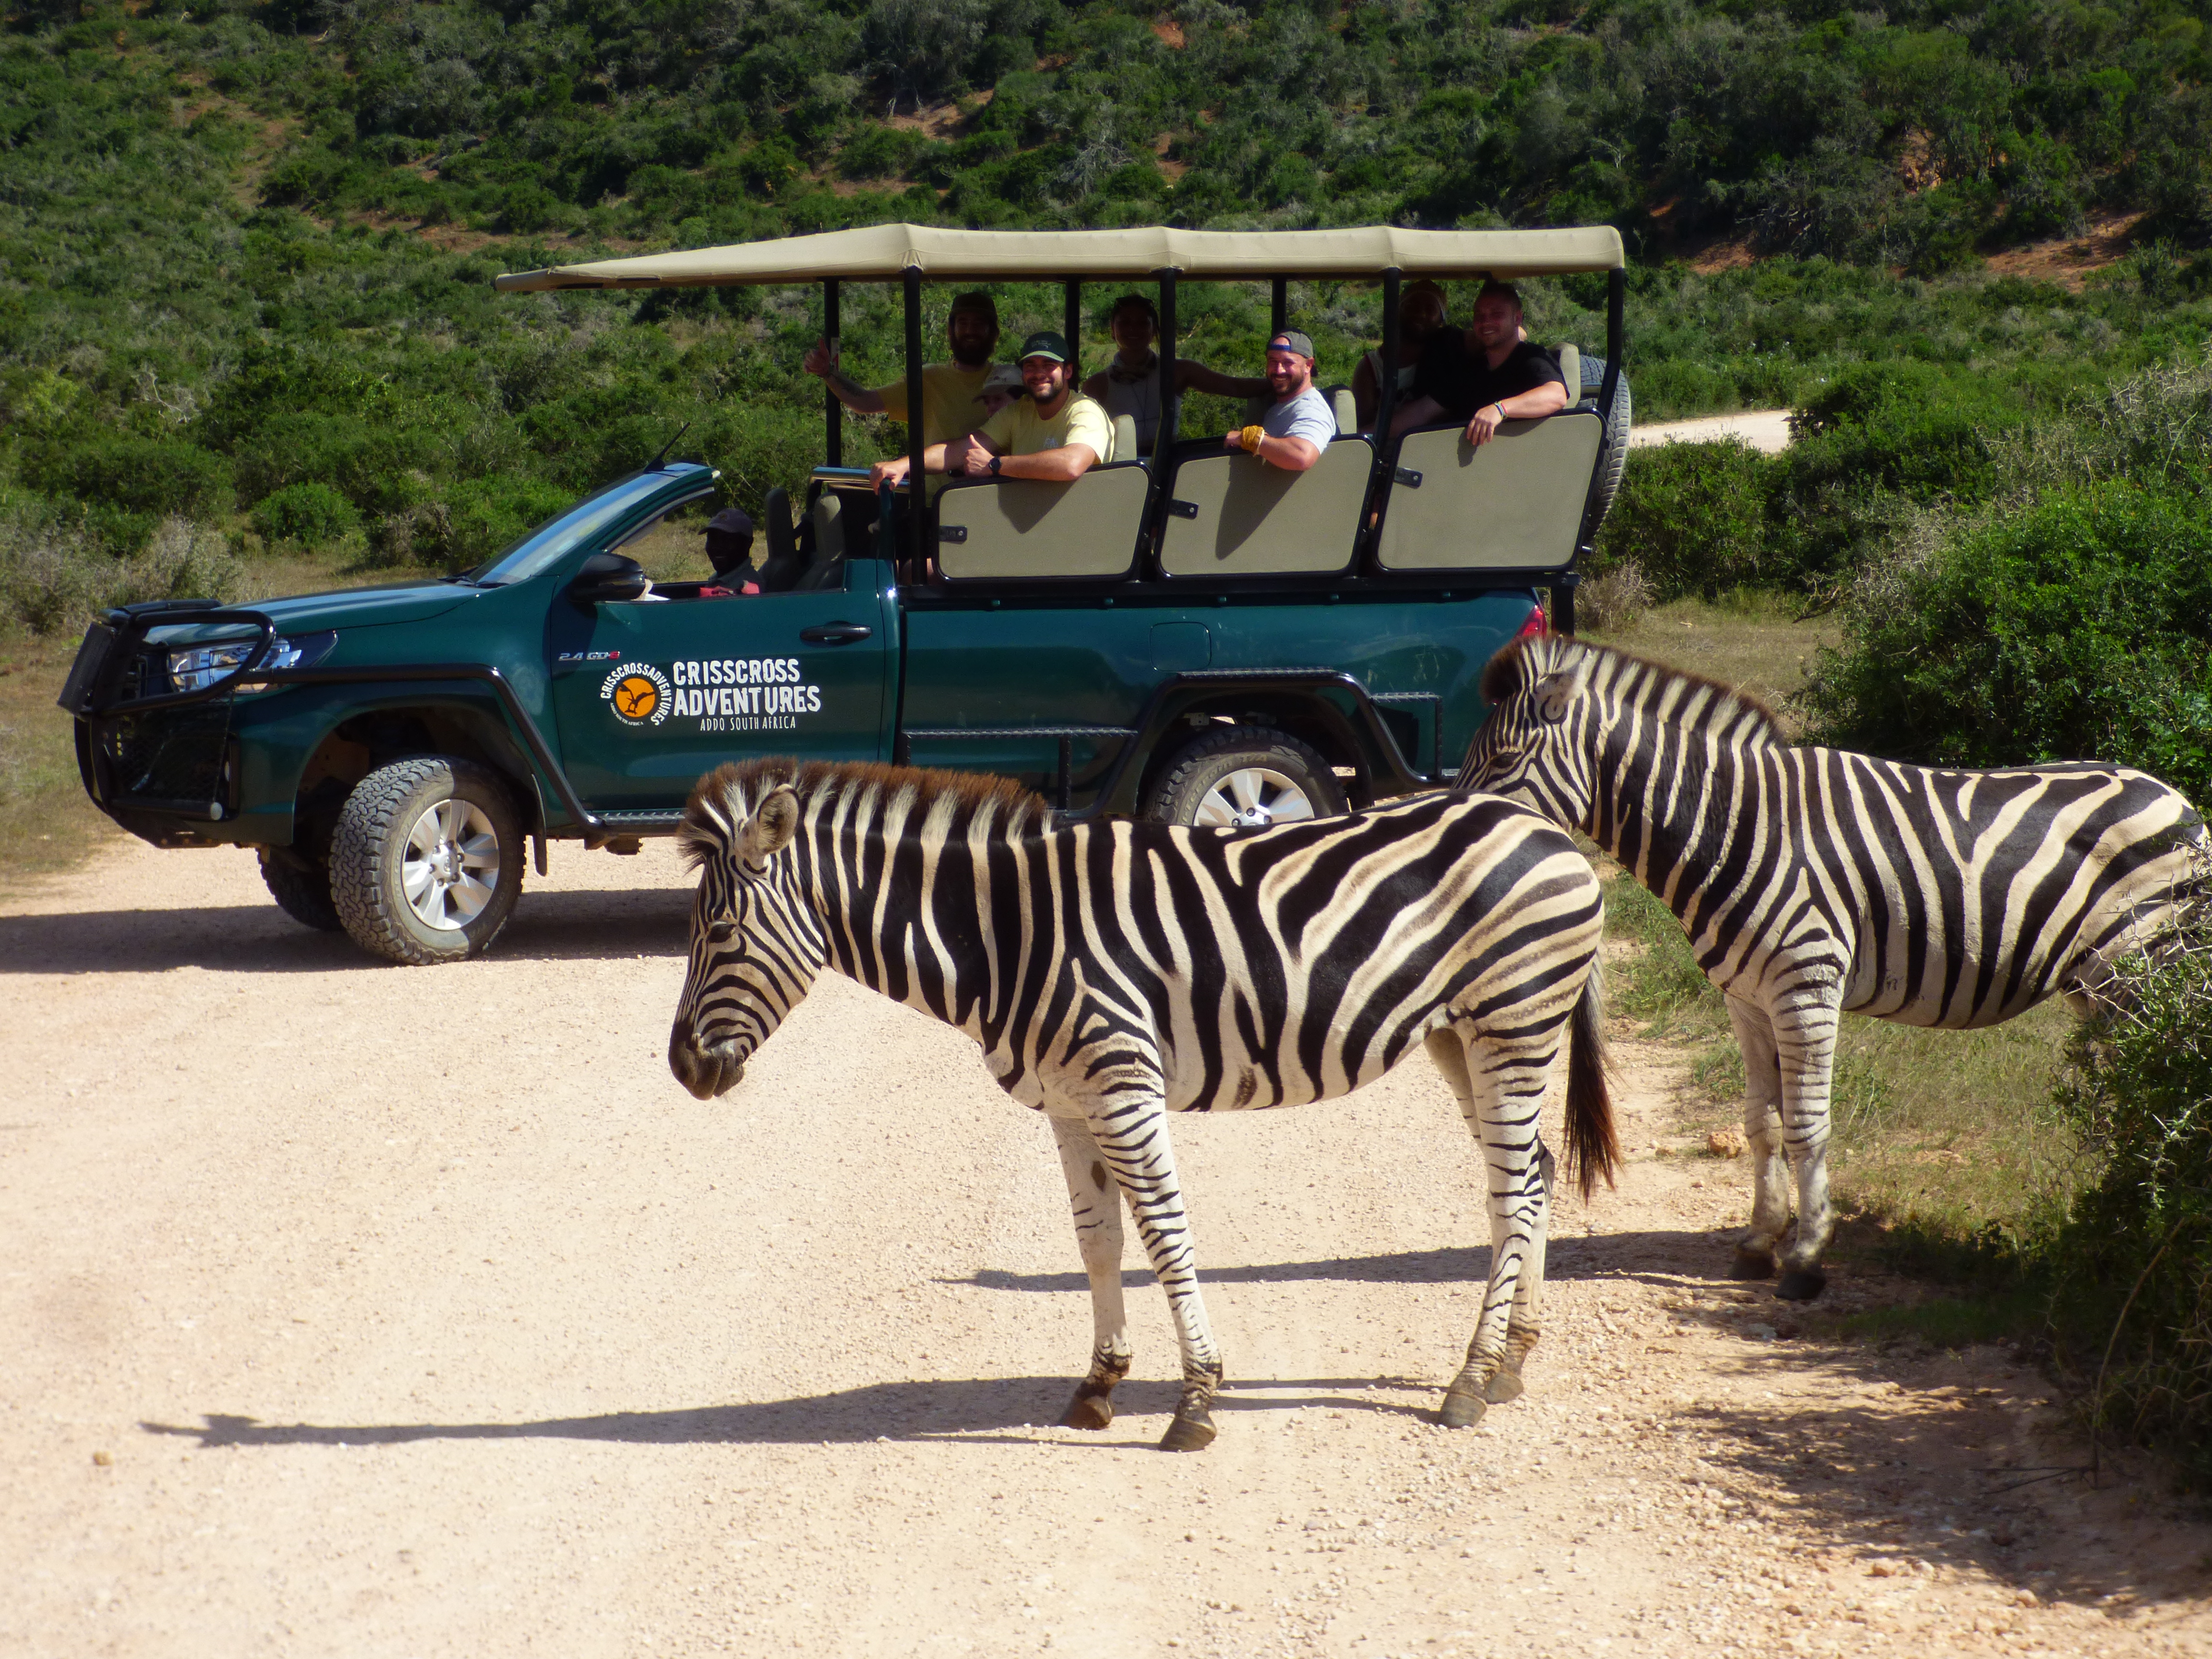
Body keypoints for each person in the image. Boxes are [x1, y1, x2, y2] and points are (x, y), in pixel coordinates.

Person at [869, 332, 1113, 490]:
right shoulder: (1019, 412)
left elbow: (1071, 464)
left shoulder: (1085, 411)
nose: (1039, 373)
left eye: (1049, 365)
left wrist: (996, 465)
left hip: (1070, 536)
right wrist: (903, 465)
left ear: (1068, 372)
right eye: (1031, 365)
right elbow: (960, 450)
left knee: (918, 570)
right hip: (1023, 529)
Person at [802, 290, 1001, 451]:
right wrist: (827, 373)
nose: (970, 331)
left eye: (979, 324)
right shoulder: (927, 379)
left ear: (994, 333)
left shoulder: (1008, 382)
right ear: (950, 331)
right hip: (938, 498)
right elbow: (864, 401)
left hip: (995, 497)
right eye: (963, 323)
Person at [1388, 280, 1569, 447]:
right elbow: (1422, 412)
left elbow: (1556, 395)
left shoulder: (1531, 358)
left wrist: (1500, 409)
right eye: (1479, 316)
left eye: (1497, 314)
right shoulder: (1469, 371)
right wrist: (1367, 433)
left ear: (1517, 319)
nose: (1486, 322)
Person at [1081, 293, 1270, 452]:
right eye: (1125, 323)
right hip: (1123, 470)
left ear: (1154, 329)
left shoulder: (1177, 371)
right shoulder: (1097, 385)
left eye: (1142, 323)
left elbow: (1234, 387)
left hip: (1169, 465)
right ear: (1113, 330)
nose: (1133, 329)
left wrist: (1280, 384)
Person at [1221, 331, 1335, 472]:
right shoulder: (1281, 403)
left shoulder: (1311, 409)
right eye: (1273, 361)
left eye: (1288, 363)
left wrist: (1250, 438)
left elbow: (1302, 457)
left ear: (1309, 365)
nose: (1279, 370)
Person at [1351, 278, 1447, 432]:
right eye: (1412, 307)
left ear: (1441, 320)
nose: (1420, 314)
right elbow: (1362, 425)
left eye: (1430, 310)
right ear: (1398, 312)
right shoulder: (1372, 366)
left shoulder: (1447, 361)